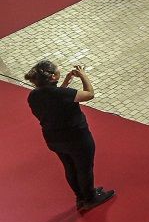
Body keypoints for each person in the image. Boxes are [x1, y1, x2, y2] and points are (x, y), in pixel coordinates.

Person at [25, 60, 114, 210]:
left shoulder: (33, 96)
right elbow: (89, 94)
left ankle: (81, 197)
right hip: (76, 138)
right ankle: (90, 198)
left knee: (69, 167)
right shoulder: (63, 94)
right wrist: (83, 75)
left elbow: (55, 97)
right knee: (84, 168)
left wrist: (66, 81)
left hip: (54, 140)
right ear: (53, 77)